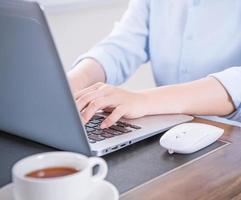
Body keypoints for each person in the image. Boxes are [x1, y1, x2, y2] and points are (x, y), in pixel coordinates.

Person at [68, 0, 241, 129]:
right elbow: (123, 45)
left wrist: (143, 100)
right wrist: (73, 82)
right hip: (170, 128)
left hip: (231, 135)